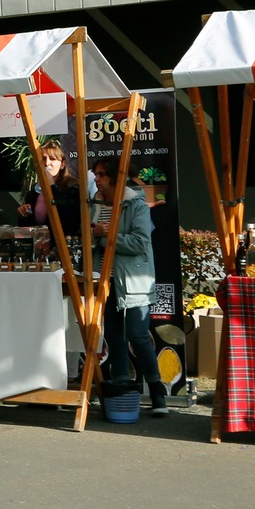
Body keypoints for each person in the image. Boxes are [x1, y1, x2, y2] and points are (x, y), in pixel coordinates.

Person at [90, 157, 165, 418]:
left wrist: (105, 236)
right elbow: (89, 237)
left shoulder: (136, 204)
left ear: (115, 177)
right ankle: (121, 393)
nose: (97, 178)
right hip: (105, 280)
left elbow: (140, 242)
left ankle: (156, 390)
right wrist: (93, 236)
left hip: (133, 280)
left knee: (137, 334)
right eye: (96, 173)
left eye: (102, 174)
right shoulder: (95, 204)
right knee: (114, 336)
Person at [19, 140, 82, 228]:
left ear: (62, 164)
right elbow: (26, 225)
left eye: (52, 159)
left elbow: (70, 219)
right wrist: (24, 212)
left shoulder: (72, 188)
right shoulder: (35, 190)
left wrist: (52, 186)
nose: (47, 163)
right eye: (43, 159)